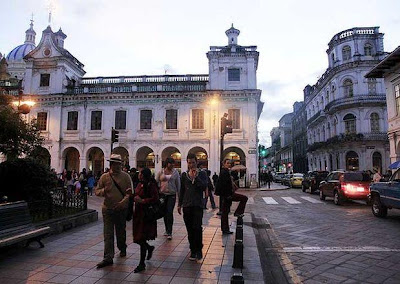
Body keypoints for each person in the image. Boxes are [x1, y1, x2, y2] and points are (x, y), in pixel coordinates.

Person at [95, 154, 133, 269]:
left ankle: (122, 247)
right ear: (111, 164)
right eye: (114, 164)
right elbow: (97, 191)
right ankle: (108, 257)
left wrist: (123, 202)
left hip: (121, 209)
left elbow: (130, 193)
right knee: (108, 234)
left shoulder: (126, 177)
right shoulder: (104, 177)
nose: (117, 166)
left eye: (118, 164)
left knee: (120, 231)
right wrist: (103, 191)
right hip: (107, 209)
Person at [178, 153, 208, 261]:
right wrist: (179, 204)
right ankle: (192, 250)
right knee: (189, 229)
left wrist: (196, 179)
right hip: (187, 205)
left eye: (193, 162)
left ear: (196, 162)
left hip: (197, 204)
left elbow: (204, 186)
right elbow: (182, 190)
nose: (191, 165)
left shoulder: (202, 174)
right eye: (189, 163)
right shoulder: (184, 175)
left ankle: (198, 249)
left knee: (197, 228)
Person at [131, 168, 159, 273]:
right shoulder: (140, 184)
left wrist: (143, 201)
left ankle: (141, 263)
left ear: (144, 175)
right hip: (138, 214)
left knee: (141, 238)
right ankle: (149, 248)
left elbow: (155, 198)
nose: (139, 174)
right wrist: (132, 195)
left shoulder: (151, 185)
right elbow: (136, 194)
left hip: (146, 215)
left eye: (140, 173)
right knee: (137, 238)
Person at [217, 158, 248, 234]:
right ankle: (237, 213)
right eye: (227, 163)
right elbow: (224, 185)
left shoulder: (227, 172)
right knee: (244, 198)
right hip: (227, 195)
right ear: (223, 164)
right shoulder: (224, 172)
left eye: (229, 163)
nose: (229, 164)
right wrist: (227, 195)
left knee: (225, 212)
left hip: (228, 195)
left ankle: (225, 229)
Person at [156, 157, 180, 240]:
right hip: (162, 195)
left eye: (173, 163)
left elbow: (178, 184)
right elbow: (156, 182)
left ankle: (170, 231)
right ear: (167, 163)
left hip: (171, 195)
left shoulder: (175, 173)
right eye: (171, 163)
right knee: (164, 213)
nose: (172, 165)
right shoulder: (161, 172)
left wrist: (179, 197)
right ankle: (167, 229)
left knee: (169, 212)